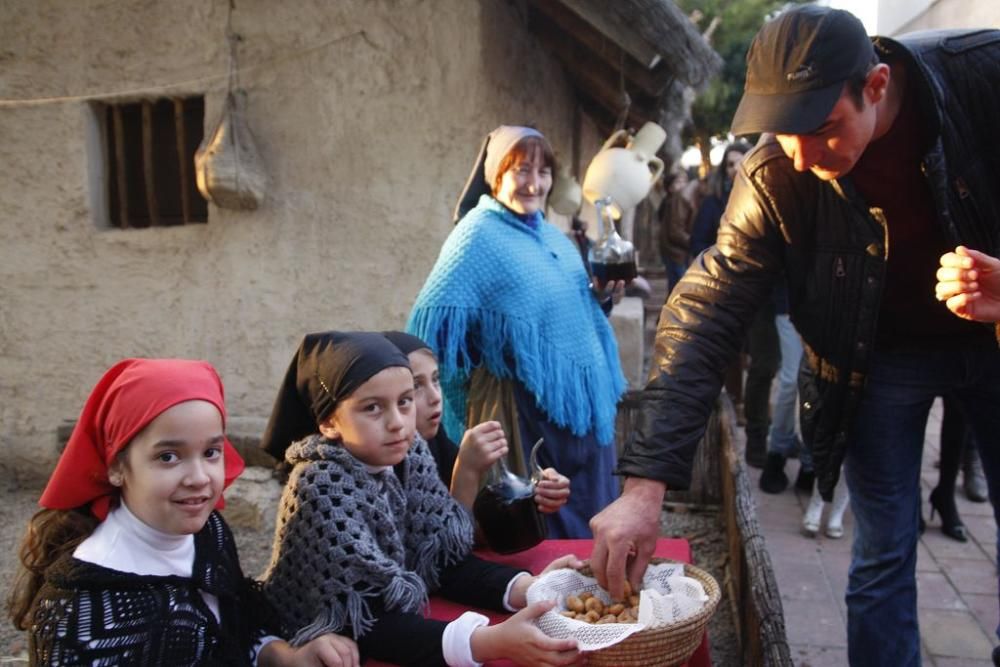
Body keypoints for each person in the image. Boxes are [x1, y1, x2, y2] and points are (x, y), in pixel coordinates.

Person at [588, 7, 1000, 666]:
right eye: (785, 133)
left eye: (823, 127)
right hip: (875, 363)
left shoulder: (984, 76)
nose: (803, 156)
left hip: (993, 342)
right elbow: (708, 311)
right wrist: (644, 487)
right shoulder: (775, 172)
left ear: (876, 85)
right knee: (882, 553)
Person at [258, 331, 582, 667]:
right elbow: (367, 622)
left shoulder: (411, 454)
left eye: (404, 401)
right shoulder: (321, 485)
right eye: (372, 408)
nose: (398, 423)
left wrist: (530, 590)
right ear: (328, 422)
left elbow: (442, 560)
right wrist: (485, 642)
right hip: (322, 642)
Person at [7, 358, 358, 666]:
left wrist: (287, 657)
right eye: (168, 457)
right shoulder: (82, 608)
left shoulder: (208, 534)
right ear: (116, 467)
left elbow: (234, 635)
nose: (199, 478)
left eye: (211, 452)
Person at [407, 125, 627, 539]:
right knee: (538, 522)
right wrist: (485, 360)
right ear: (497, 175)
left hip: (579, 412)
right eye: (521, 169)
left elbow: (568, 312)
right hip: (525, 414)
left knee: (588, 517)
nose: (534, 183)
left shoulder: (551, 235)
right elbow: (431, 321)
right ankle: (537, 599)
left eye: (543, 172)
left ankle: (587, 592)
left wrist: (599, 297)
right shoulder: (477, 234)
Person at [382, 330, 571, 514]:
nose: (435, 397)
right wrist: (466, 471)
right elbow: (446, 542)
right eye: (416, 385)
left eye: (436, 379)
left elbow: (478, 529)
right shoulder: (381, 466)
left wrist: (535, 492)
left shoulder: (435, 443)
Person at [759, 286, 814, 494]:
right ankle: (777, 453)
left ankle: (810, 464)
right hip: (791, 302)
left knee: (816, 388)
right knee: (790, 381)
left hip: (830, 308)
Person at [658, 167, 696, 294]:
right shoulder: (674, 201)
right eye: (678, 182)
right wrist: (693, 242)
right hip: (675, 252)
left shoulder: (678, 201)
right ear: (670, 187)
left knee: (675, 286)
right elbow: (675, 231)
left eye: (685, 181)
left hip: (673, 251)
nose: (683, 185)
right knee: (680, 288)